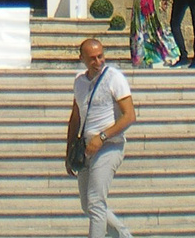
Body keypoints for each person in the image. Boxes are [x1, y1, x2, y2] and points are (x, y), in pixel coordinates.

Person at [65, 36, 136, 238]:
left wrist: (102, 137)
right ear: (82, 59)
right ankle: (123, 234)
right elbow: (75, 117)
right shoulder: (79, 81)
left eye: (101, 56)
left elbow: (129, 115)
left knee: (96, 202)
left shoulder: (114, 78)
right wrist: (69, 150)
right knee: (88, 205)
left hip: (109, 146)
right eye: (93, 58)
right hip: (86, 148)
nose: (98, 62)